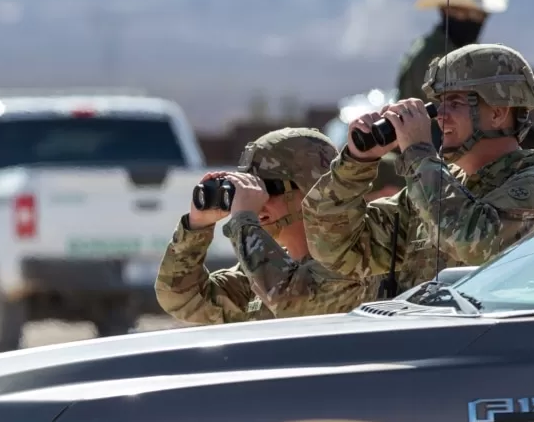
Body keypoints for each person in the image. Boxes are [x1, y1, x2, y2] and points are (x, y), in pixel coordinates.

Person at [303, 44, 534, 293]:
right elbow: (335, 248)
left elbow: (474, 244)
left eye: (456, 103)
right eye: (439, 104)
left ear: (498, 113)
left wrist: (419, 154)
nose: (439, 117)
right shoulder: (435, 186)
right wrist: (356, 163)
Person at [155, 128, 380, 323]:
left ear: (312, 191)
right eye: (249, 189)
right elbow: (180, 298)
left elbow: (294, 304)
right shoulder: (258, 272)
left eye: (267, 188)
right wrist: (197, 226)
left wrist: (243, 219)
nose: (257, 201)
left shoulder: (354, 263)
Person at [398, 0, 508, 122]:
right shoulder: (434, 57)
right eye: (465, 13)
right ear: (446, 11)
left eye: (480, 15)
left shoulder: (459, 53)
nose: (475, 21)